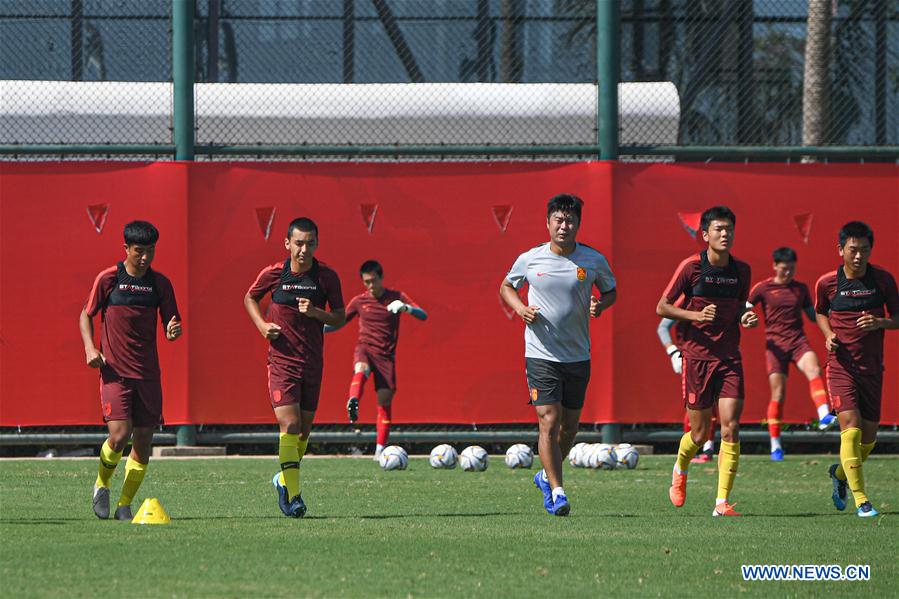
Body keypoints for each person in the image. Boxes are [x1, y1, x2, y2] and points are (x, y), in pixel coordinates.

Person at [500, 193, 617, 516]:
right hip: (540, 354)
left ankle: (544, 476)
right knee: (548, 421)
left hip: (577, 355)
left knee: (570, 428)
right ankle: (558, 490)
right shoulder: (531, 259)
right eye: (559, 220)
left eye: (570, 221)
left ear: (578, 224)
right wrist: (521, 308)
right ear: (548, 223)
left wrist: (600, 305)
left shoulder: (592, 260)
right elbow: (506, 286)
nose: (564, 226)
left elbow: (610, 291)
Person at [657, 205, 758, 517]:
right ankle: (681, 467)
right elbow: (662, 307)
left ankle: (721, 503)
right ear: (705, 235)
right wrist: (696, 315)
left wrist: (746, 316)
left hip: (729, 357)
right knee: (700, 434)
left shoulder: (742, 270)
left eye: (729, 229)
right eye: (718, 229)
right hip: (697, 357)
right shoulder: (691, 267)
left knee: (731, 427)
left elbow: (740, 307)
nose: (725, 234)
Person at [80, 221, 182, 521]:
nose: (145, 257)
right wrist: (90, 349)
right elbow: (85, 315)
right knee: (119, 435)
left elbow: (172, 325)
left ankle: (124, 504)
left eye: (150, 251)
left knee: (143, 441)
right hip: (115, 372)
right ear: (126, 248)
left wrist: (173, 331)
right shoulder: (109, 279)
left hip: (148, 375)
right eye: (139, 251)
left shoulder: (160, 284)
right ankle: (102, 484)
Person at [244, 217, 345, 518]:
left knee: (303, 433)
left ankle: (283, 480)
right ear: (287, 243)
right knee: (290, 425)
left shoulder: (326, 277)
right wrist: (262, 326)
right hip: (282, 363)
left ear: (317, 244)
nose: (304, 249)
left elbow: (339, 317)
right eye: (299, 243)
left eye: (310, 243)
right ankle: (295, 496)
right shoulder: (274, 273)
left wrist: (315, 312)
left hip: (312, 363)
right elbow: (250, 297)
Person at [815, 221, 898, 518]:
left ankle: (839, 474)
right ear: (841, 250)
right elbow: (820, 312)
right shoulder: (827, 283)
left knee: (868, 440)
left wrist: (880, 322)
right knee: (850, 430)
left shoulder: (883, 281)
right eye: (853, 249)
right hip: (841, 367)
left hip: (872, 369)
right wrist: (828, 335)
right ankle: (863, 501)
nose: (859, 255)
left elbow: (898, 317)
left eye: (864, 249)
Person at [325, 260, 427, 460]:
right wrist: (318, 328)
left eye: (373, 280)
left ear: (381, 278)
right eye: (366, 282)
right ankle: (354, 399)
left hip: (386, 356)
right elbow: (338, 322)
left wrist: (406, 308)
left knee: (384, 403)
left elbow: (423, 315)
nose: (371, 285)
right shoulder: (359, 301)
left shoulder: (396, 297)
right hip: (365, 348)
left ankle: (380, 449)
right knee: (360, 369)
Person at [748, 247, 834, 462]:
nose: (788, 273)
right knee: (778, 395)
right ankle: (775, 445)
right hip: (775, 347)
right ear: (775, 266)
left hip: (798, 342)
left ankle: (824, 414)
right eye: (784, 269)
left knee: (814, 369)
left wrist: (835, 314)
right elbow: (744, 308)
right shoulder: (762, 288)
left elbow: (813, 316)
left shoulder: (800, 289)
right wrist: (745, 317)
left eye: (792, 269)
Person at [657, 316, 716, 462]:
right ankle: (691, 451)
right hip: (693, 360)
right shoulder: (685, 302)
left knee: (713, 403)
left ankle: (708, 449)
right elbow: (663, 327)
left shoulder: (722, 302)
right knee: (694, 405)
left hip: (717, 358)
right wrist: (673, 352)